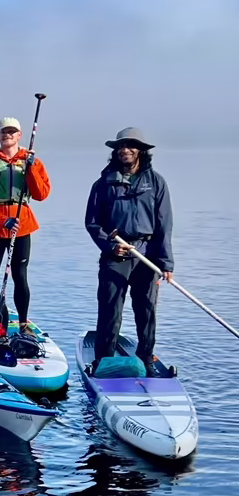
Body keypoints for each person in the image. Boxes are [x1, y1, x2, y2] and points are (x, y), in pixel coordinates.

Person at [85, 128, 173, 377]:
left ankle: (146, 358)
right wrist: (111, 245)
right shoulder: (102, 184)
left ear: (140, 151)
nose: (125, 149)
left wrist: (166, 263)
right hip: (115, 255)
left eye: (131, 145)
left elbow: (164, 223)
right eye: (121, 146)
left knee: (146, 310)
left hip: (147, 255)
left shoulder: (156, 182)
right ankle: (104, 361)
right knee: (110, 309)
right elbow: (92, 223)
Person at [0, 116, 51, 337]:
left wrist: (31, 169)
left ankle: (24, 323)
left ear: (19, 135)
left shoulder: (32, 161)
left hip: (23, 227)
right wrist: (1, 219)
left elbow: (41, 194)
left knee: (20, 276)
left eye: (12, 132)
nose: (7, 135)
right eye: (3, 132)